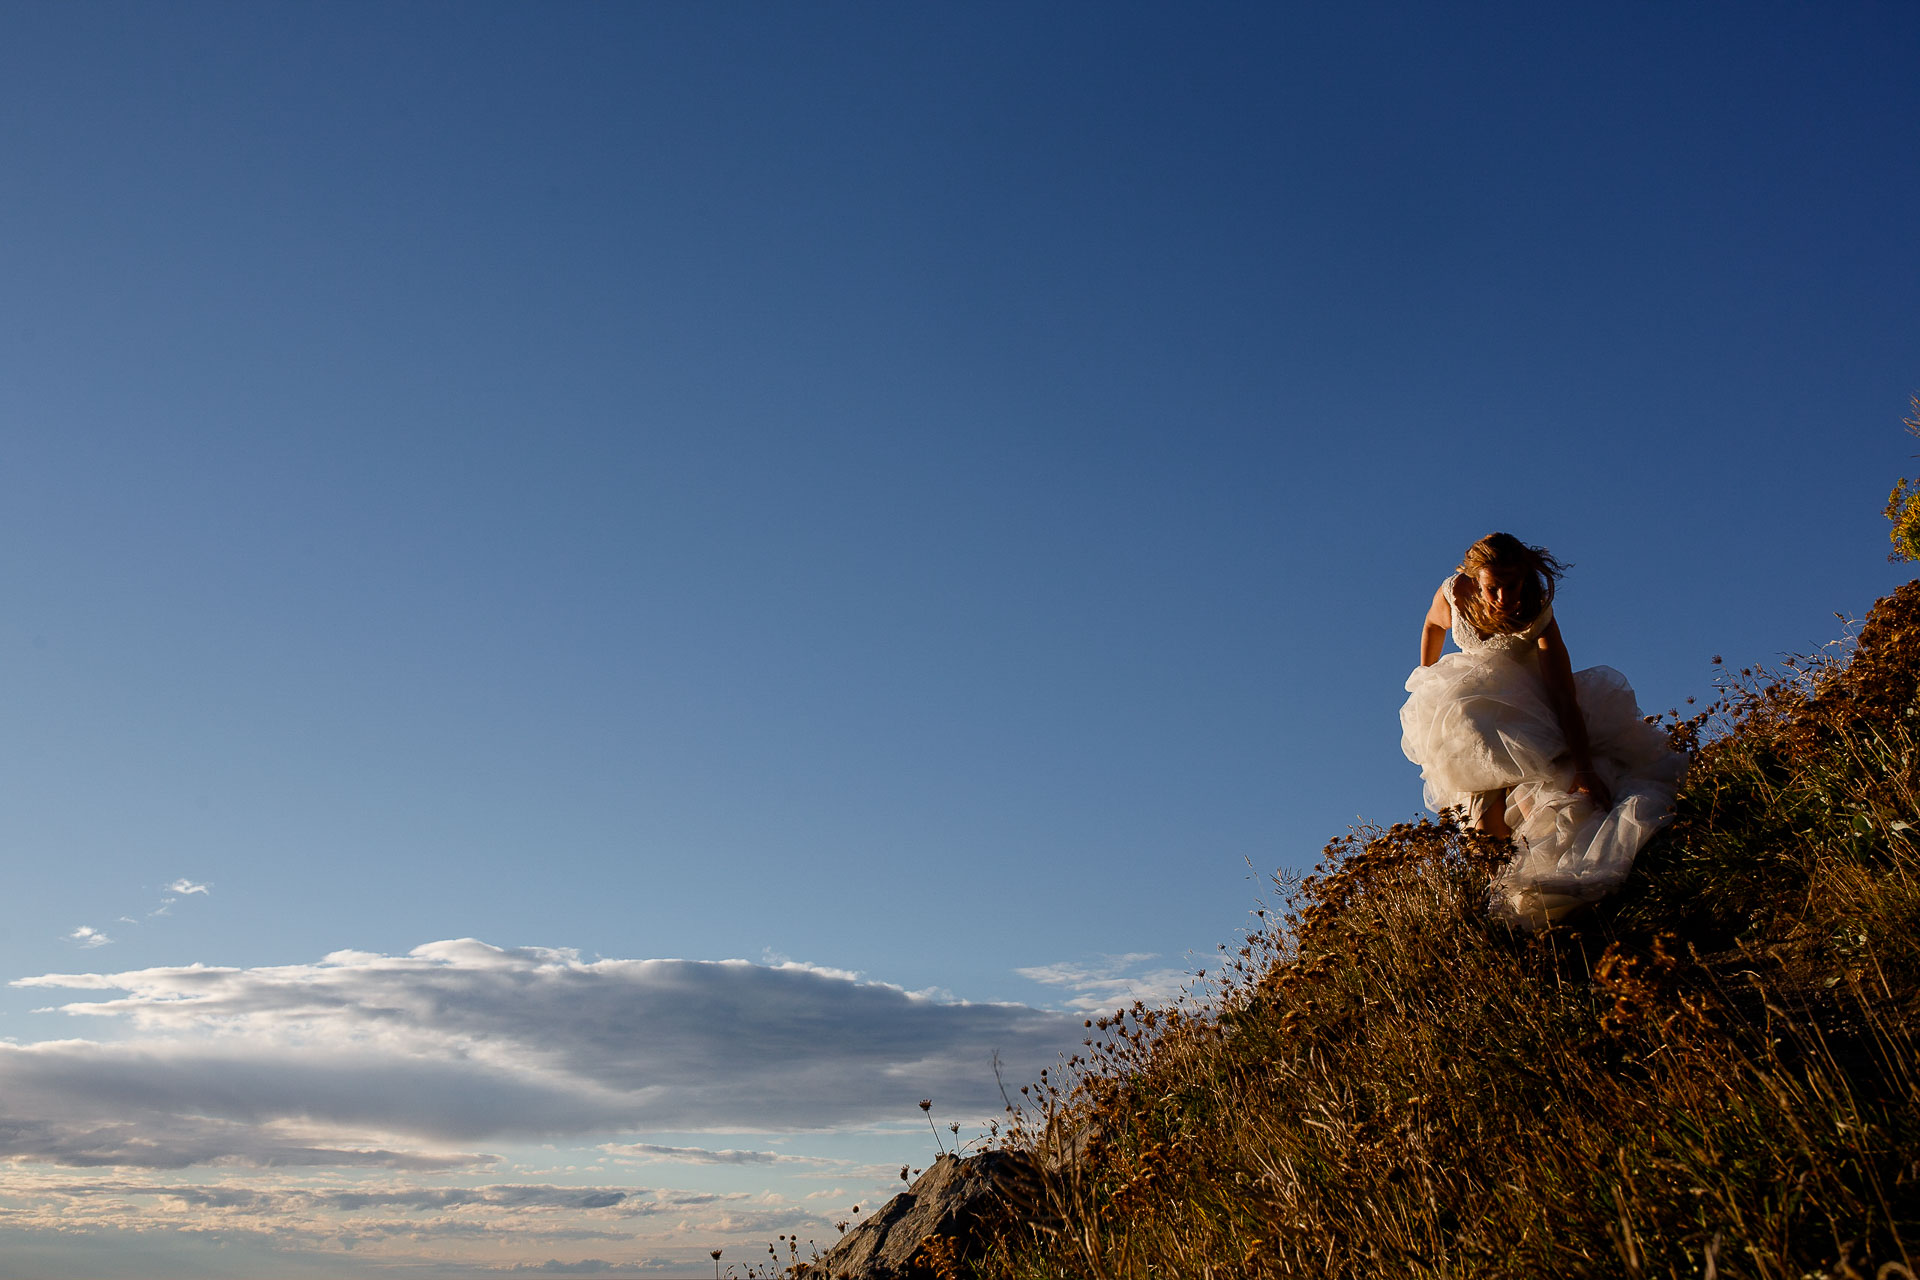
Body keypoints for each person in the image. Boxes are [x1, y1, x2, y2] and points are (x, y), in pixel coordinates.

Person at [1399, 533, 1685, 927]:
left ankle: (1571, 900)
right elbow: (1432, 625)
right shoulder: (1456, 593)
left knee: (1553, 801)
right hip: (1470, 720)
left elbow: (1564, 696)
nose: (1502, 598)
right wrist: (1427, 680)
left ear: (1525, 578)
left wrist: (1584, 770)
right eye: (1492, 588)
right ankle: (1504, 915)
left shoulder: (1537, 615)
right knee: (1483, 826)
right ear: (1473, 581)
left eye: (1511, 586)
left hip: (1527, 712)